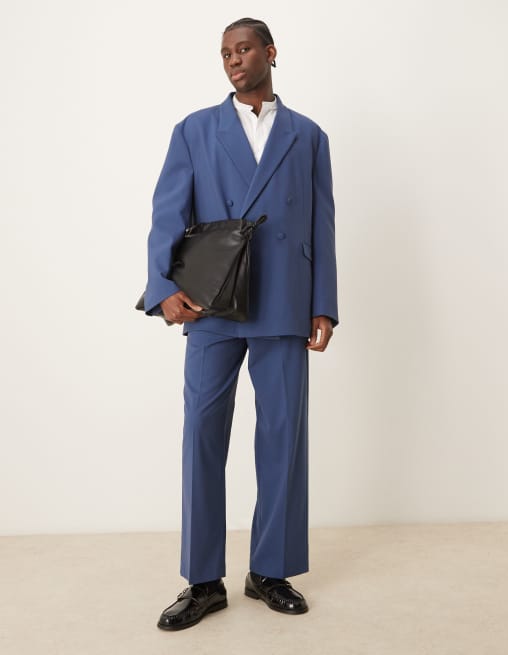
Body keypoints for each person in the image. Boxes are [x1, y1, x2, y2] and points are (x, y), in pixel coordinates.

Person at [141, 17, 338, 631]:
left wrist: (323, 303)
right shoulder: (194, 130)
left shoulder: (308, 135)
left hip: (284, 300)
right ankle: (203, 581)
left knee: (283, 437)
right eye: (225, 52)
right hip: (211, 301)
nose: (233, 59)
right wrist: (163, 290)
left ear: (270, 53)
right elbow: (167, 214)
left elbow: (322, 224)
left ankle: (270, 570)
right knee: (202, 434)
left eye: (244, 48)